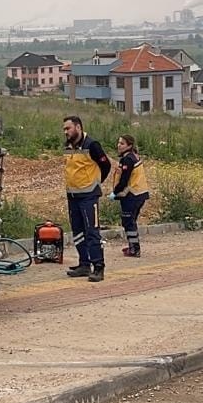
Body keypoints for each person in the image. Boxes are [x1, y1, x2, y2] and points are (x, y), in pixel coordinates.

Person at [62, 115, 111, 282]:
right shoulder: (68, 145)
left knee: (92, 232)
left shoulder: (92, 145)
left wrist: (96, 183)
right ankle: (84, 264)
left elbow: (106, 165)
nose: (65, 132)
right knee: (78, 232)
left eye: (68, 128)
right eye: (64, 129)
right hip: (73, 196)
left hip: (89, 196)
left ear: (78, 127)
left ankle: (98, 267)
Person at [110, 134, 150, 257]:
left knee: (128, 221)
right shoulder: (134, 157)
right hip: (140, 194)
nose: (119, 145)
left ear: (129, 145)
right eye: (118, 143)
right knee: (131, 221)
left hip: (132, 195)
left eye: (122, 143)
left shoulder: (128, 159)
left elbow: (124, 180)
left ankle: (134, 249)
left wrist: (115, 192)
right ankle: (134, 246)